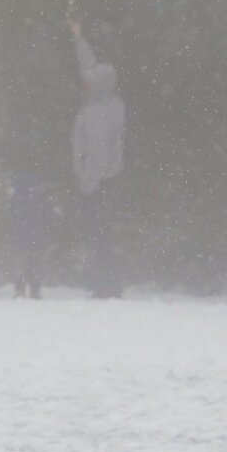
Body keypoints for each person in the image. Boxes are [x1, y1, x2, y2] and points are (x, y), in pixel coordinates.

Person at [69, 20, 125, 297]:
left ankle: (107, 285)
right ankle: (100, 283)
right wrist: (79, 38)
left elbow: (108, 149)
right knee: (96, 233)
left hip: (103, 182)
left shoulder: (108, 110)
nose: (87, 82)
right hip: (92, 182)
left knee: (103, 233)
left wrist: (97, 177)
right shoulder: (91, 107)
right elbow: (88, 68)